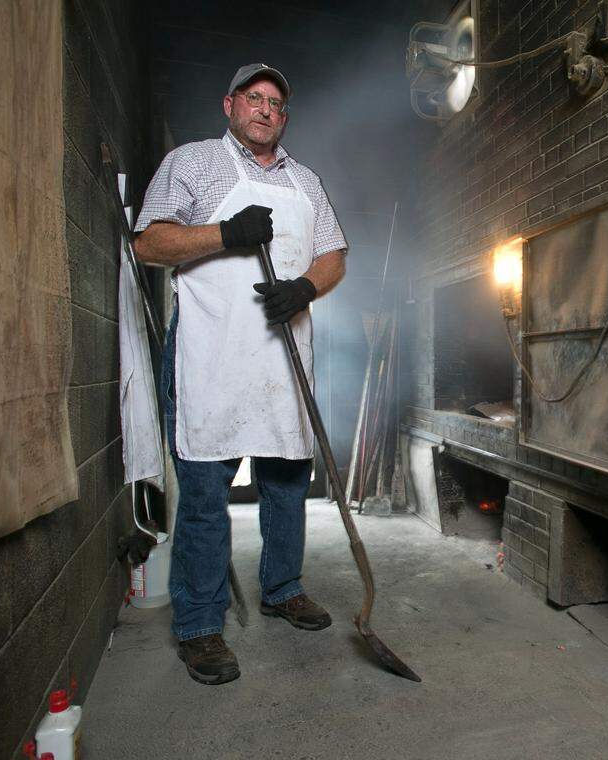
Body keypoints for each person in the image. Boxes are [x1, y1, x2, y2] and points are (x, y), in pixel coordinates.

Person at [133, 63, 348, 685]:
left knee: (287, 482)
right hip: (214, 350)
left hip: (282, 355)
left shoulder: (306, 181)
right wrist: (226, 232)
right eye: (253, 98)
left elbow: (334, 254)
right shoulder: (192, 163)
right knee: (204, 493)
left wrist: (306, 285)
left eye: (275, 103)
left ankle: (283, 588)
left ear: (284, 117)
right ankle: (199, 625)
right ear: (230, 105)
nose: (264, 110)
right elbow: (149, 244)